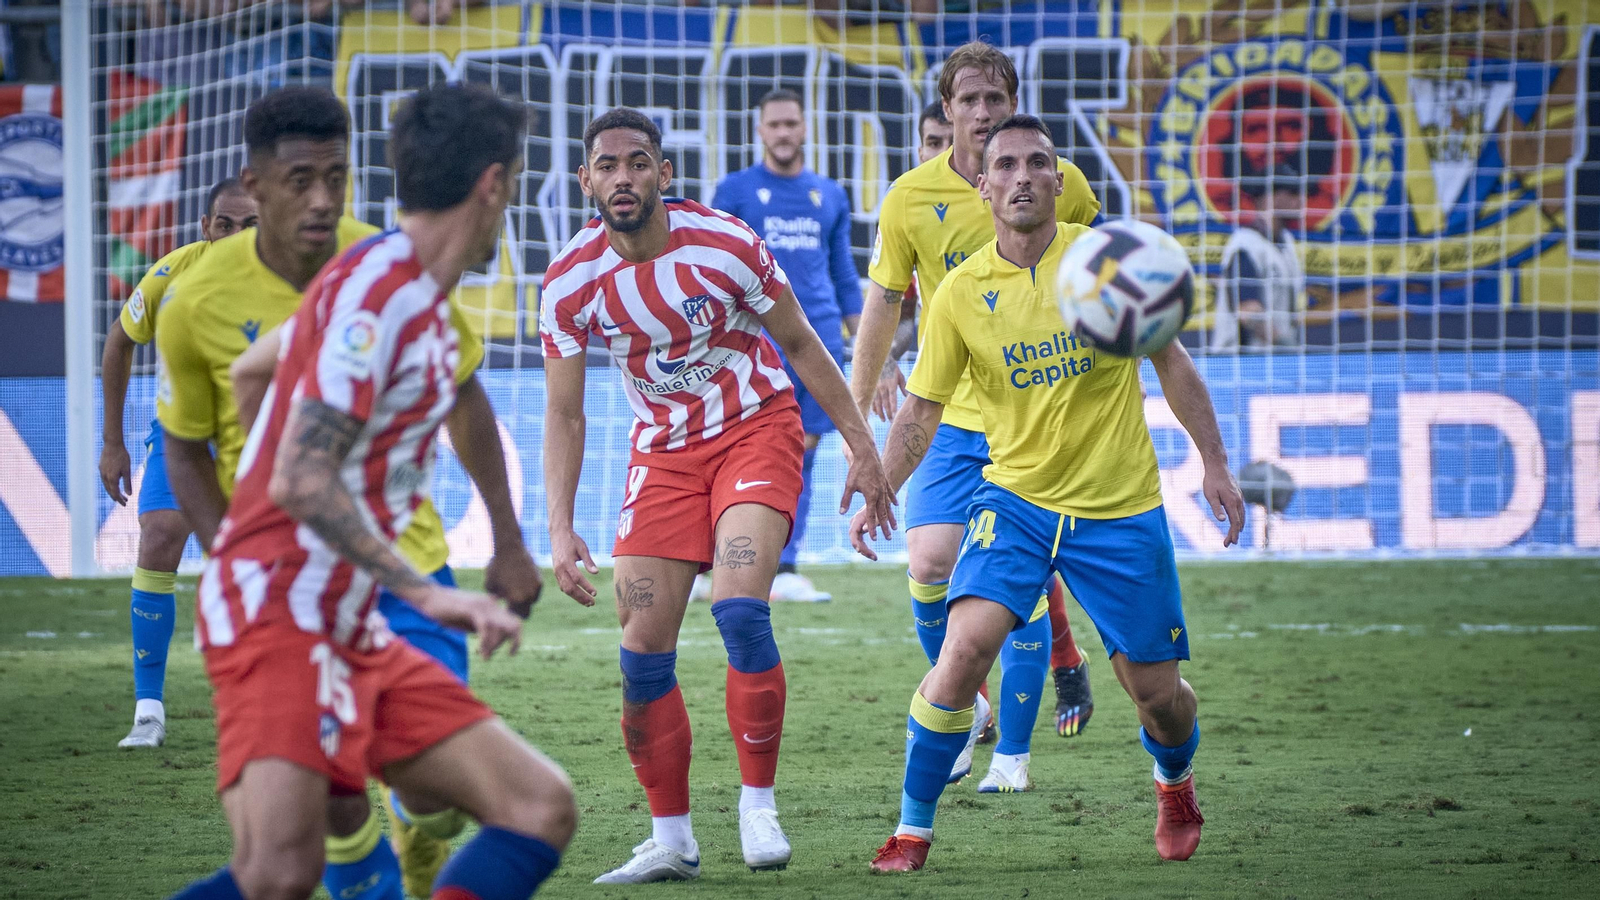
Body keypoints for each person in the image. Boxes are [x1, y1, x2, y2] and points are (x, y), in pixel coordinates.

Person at [165, 82, 575, 900]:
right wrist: (432, 594)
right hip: (281, 611)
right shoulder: (378, 299)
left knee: (538, 807)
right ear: (493, 185)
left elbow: (252, 372)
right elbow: (302, 476)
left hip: (347, 621)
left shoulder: (384, 276)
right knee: (279, 873)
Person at [854, 115, 1246, 872]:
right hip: (1017, 504)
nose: (1023, 175)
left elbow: (1174, 366)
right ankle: (911, 831)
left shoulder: (1105, 264)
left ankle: (1174, 779)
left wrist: (1215, 464)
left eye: (1039, 162)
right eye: (1006, 164)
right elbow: (924, 408)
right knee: (963, 650)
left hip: (1118, 508)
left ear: (1060, 181)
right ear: (983, 184)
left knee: (1155, 695)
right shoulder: (962, 293)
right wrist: (879, 480)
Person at [541, 107, 897, 884]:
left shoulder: (728, 245)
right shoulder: (569, 282)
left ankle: (757, 804)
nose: (623, 178)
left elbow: (802, 342)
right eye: (607, 166)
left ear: (664, 175)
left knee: (738, 605)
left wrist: (864, 448)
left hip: (753, 431)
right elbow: (566, 413)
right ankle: (672, 838)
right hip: (663, 457)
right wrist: (559, 526)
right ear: (586, 181)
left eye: (638, 163)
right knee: (640, 649)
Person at [850, 40, 1100, 795]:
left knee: (1015, 586)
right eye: (970, 101)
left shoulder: (1067, 184)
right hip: (949, 414)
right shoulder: (908, 200)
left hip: (1032, 416)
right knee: (927, 564)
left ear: (1014, 103)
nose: (984, 114)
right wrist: (858, 420)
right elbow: (881, 307)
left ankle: (1012, 760)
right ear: (948, 110)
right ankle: (970, 703)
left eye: (996, 99)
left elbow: (1097, 280)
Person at [99, 177, 257, 750]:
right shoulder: (171, 275)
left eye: (251, 225)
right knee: (160, 534)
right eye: (225, 225)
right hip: (182, 431)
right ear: (204, 228)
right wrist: (112, 442)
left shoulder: (294, 276)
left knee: (269, 562)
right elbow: (119, 343)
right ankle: (148, 711)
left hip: (261, 436)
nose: (237, 236)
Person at [710, 87, 864, 603]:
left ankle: (785, 565)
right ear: (760, 131)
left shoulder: (830, 194)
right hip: (753, 345)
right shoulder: (735, 191)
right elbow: (713, 271)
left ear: (804, 128)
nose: (783, 133)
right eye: (773, 124)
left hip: (819, 345)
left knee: (805, 456)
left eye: (790, 124)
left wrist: (867, 344)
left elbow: (843, 274)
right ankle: (721, 562)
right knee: (738, 451)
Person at [1211, 161, 1304, 350]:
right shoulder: (1245, 244)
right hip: (1238, 365)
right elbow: (1247, 311)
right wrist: (1284, 344)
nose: (1300, 200)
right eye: (1292, 193)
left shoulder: (1286, 242)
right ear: (1270, 196)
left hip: (1273, 362)